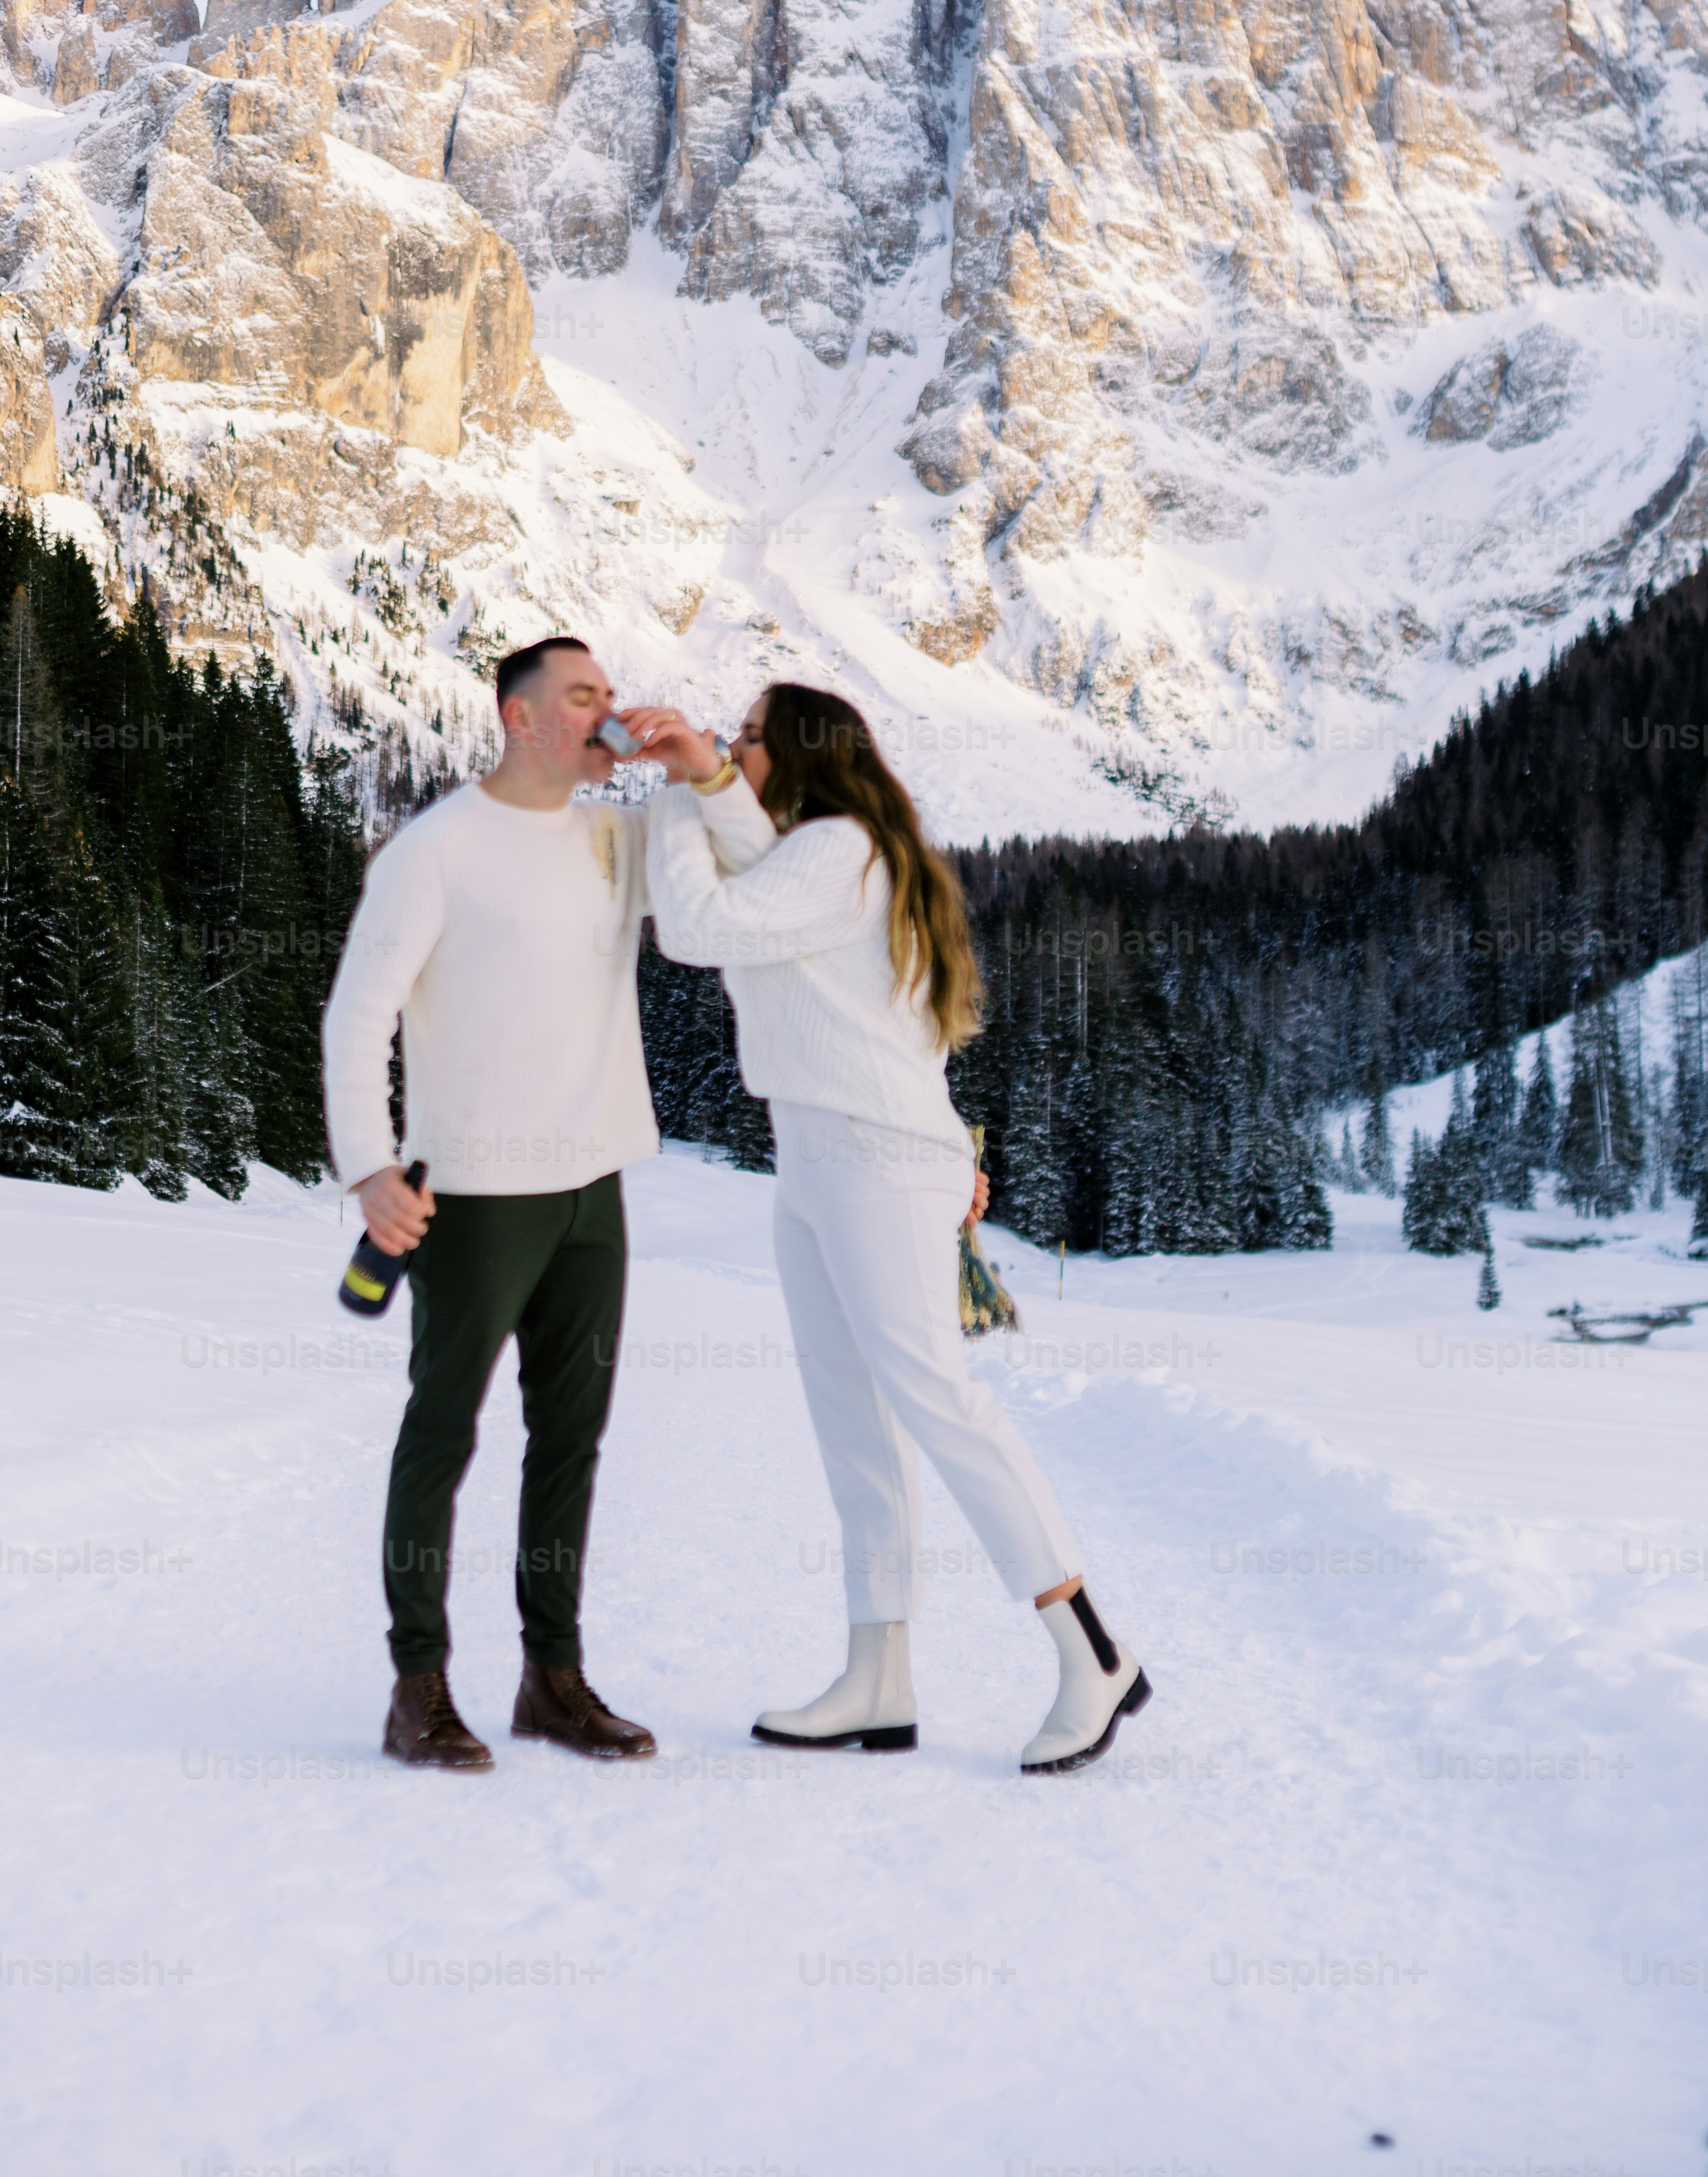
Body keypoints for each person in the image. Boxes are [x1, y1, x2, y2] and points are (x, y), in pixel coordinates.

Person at [627, 683, 1152, 1775]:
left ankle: (1091, 1648)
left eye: (748, 736)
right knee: (852, 1419)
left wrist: (681, 788)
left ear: (803, 755)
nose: (731, 745)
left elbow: (695, 926)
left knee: (936, 1398)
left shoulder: (842, 848)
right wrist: (710, 781)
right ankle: (879, 1677)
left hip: (876, 1157)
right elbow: (746, 864)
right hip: (819, 1157)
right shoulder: (814, 851)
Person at [320, 637, 758, 1771]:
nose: (608, 712)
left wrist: (700, 769)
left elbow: (743, 880)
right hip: (473, 1199)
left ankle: (550, 1681)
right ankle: (417, 1689)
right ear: (521, 718)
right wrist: (371, 1170)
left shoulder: (618, 831)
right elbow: (358, 1017)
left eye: (611, 695)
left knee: (570, 1443)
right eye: (583, 697)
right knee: (441, 1437)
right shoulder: (438, 851)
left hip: (593, 1191)